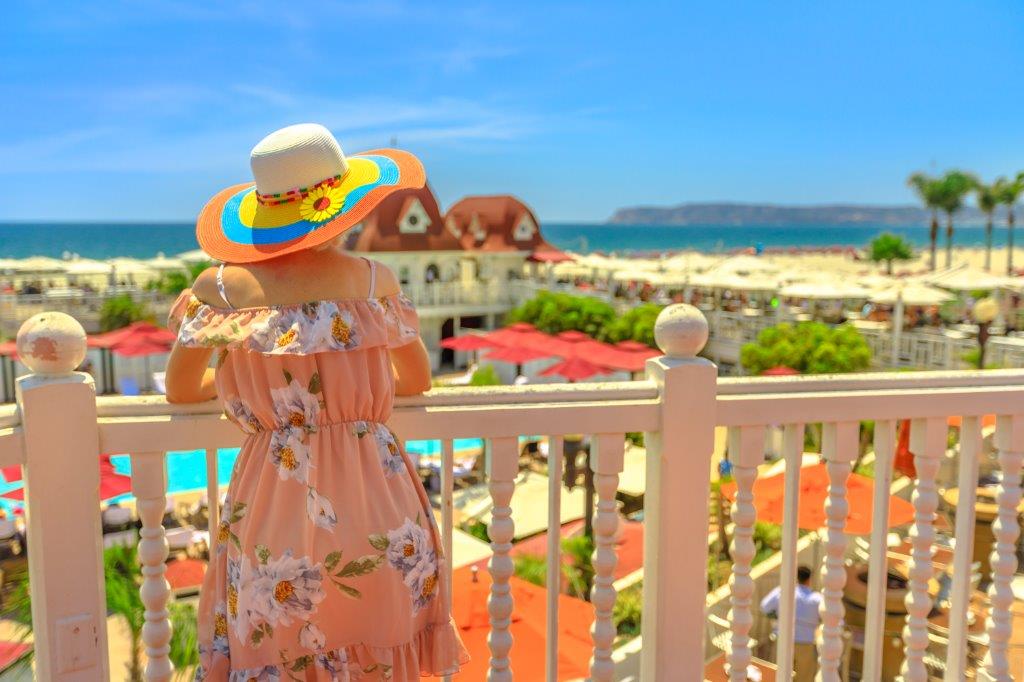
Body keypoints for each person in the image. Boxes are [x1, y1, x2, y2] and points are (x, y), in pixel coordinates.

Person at [165, 124, 468, 680]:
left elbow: (181, 390)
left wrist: (255, 393)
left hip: (274, 503)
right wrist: (345, 397)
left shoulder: (221, 291)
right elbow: (418, 380)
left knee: (282, 648)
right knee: (379, 649)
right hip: (380, 498)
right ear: (344, 206)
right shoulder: (375, 281)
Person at [759, 565, 822, 681]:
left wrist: (778, 617)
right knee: (804, 678)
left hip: (784, 640)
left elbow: (764, 607)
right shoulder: (817, 598)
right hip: (806, 643)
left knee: (778, 676)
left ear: (796, 577)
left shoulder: (782, 591)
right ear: (809, 579)